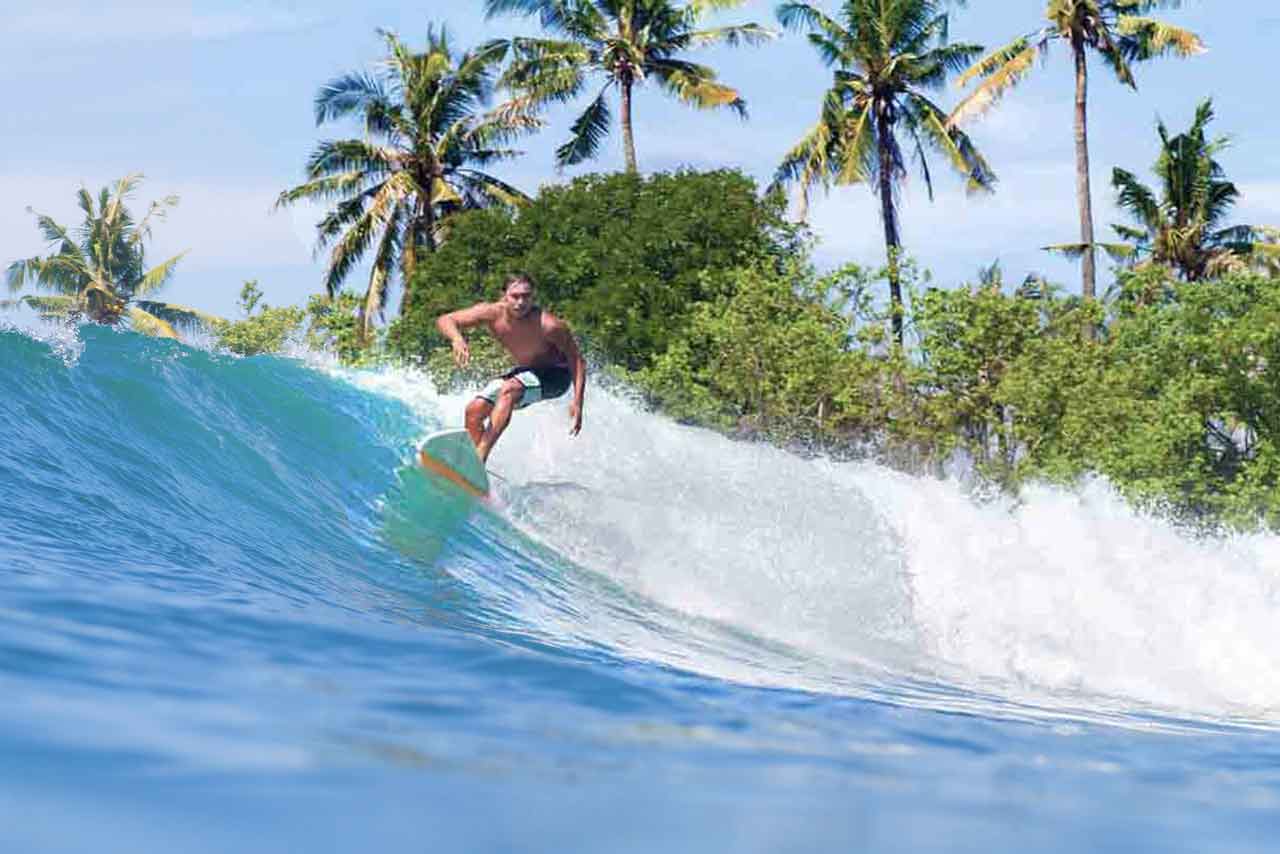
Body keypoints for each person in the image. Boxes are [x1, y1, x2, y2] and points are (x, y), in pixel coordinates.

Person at [436, 273, 586, 463]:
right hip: (526, 373)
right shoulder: (490, 313)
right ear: (504, 295)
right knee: (474, 410)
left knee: (509, 389)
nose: (521, 302)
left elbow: (577, 360)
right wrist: (456, 338)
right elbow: (446, 319)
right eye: (515, 296)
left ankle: (481, 454)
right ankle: (475, 467)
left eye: (526, 296)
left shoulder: (549, 325)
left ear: (533, 297)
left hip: (555, 377)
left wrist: (577, 402)